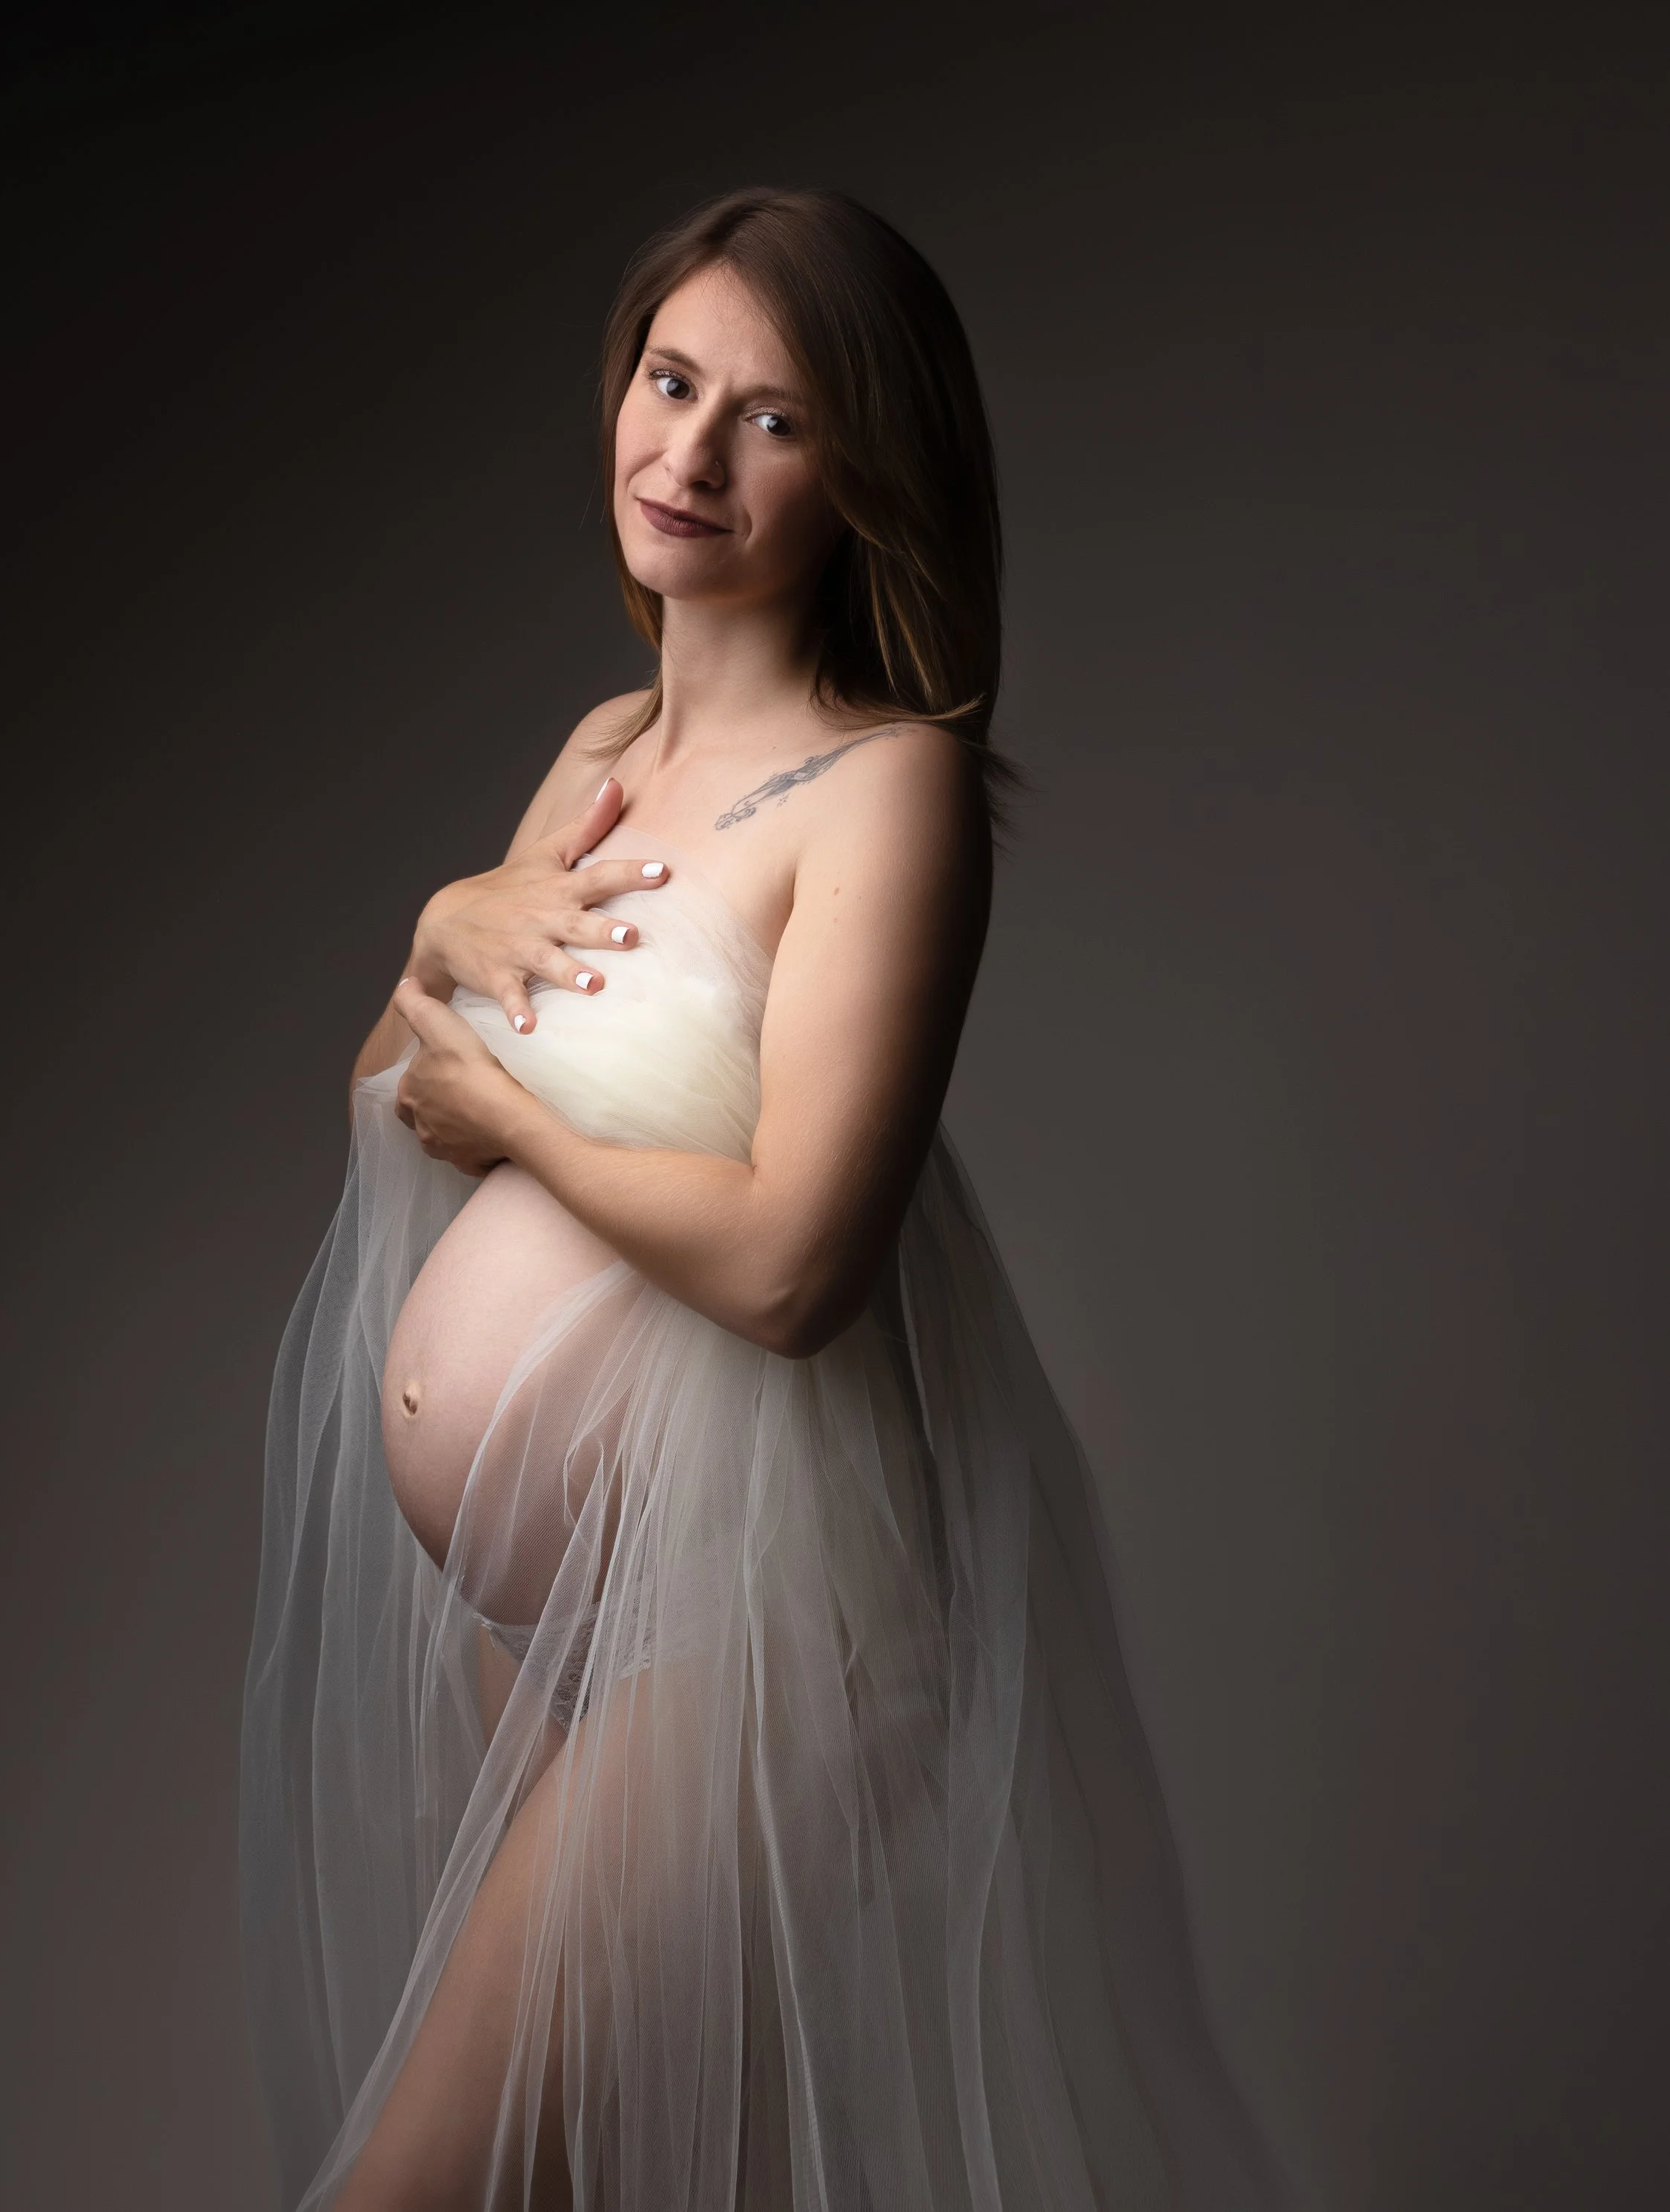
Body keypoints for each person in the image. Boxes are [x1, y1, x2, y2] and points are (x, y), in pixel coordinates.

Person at [241, 187, 1288, 2212]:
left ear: (867, 470)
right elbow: (392, 1105)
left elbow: (799, 1264)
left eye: (775, 418)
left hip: (751, 1638)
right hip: (567, 1617)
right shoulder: (602, 752)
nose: (692, 454)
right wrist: (436, 928)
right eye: (669, 380)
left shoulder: (886, 789)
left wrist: (528, 1129)